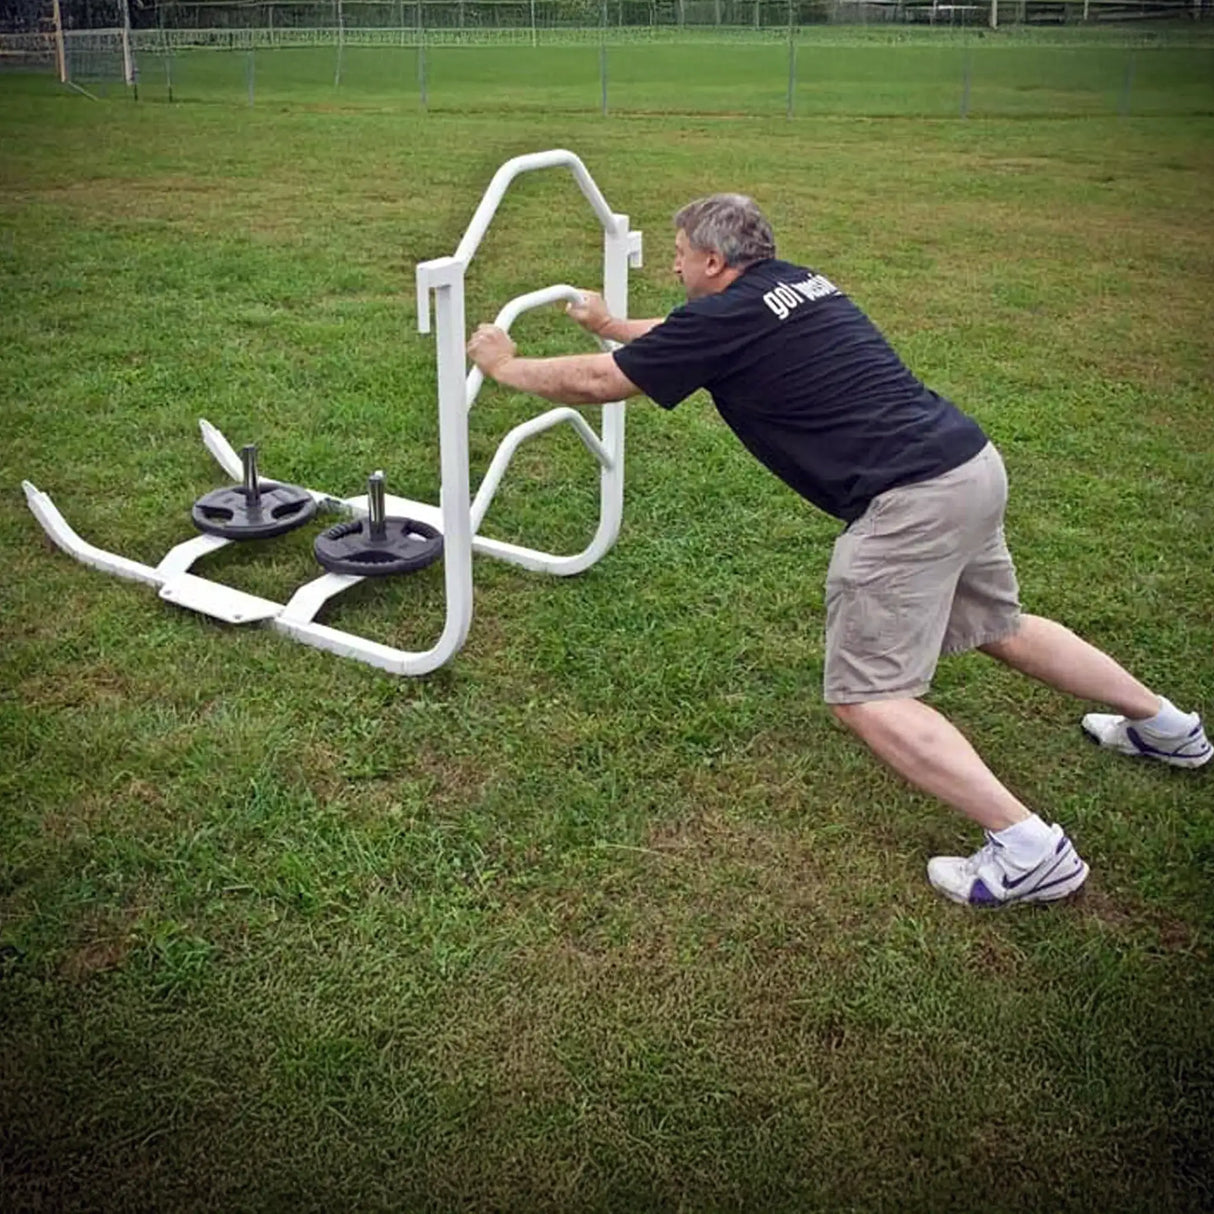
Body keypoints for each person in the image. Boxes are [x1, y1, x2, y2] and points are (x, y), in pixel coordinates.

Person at [465, 193, 1210, 908]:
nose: (675, 267)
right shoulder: (795, 284)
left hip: (909, 501)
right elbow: (689, 334)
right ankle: (1167, 727)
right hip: (967, 464)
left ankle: (1029, 850)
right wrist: (615, 321)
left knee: (867, 697)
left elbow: (600, 381)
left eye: (681, 255)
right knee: (1000, 628)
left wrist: (504, 367)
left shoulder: (725, 313)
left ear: (718, 263)